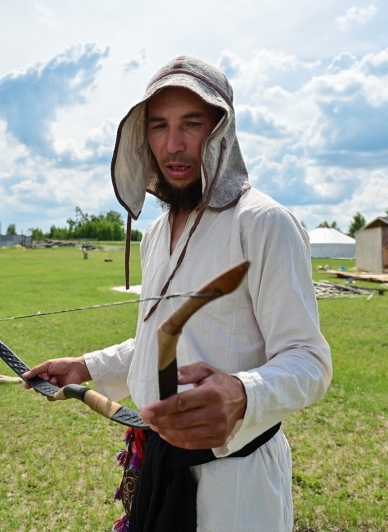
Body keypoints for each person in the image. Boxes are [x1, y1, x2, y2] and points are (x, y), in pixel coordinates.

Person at [24, 56, 332, 532]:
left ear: (221, 132)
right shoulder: (156, 233)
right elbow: (160, 343)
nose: (173, 144)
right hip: (156, 466)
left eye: (192, 124)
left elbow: (309, 361)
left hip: (235, 485)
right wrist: (86, 367)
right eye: (158, 126)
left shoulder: (264, 223)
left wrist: (243, 394)